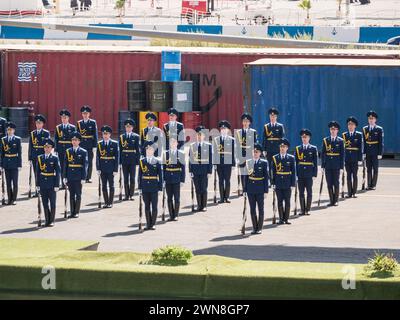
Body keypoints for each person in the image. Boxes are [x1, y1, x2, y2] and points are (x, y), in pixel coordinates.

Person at [243, 143, 269, 234]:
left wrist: (266, 191)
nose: (255, 153)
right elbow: (245, 177)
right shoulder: (248, 162)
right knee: (252, 209)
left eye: (257, 152)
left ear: (260, 153)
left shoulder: (264, 163)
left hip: (260, 189)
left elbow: (266, 178)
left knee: (260, 209)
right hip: (250, 189)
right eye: (254, 152)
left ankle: (260, 227)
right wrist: (244, 190)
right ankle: (254, 227)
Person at [138, 141, 163, 230]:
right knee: (147, 206)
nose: (149, 151)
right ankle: (148, 224)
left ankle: (153, 223)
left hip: (154, 186)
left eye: (151, 149)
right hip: (145, 187)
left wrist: (160, 188)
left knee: (154, 206)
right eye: (147, 149)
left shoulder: (157, 161)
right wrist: (139, 188)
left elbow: (160, 176)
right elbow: (139, 176)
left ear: (153, 151)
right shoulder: (142, 161)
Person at [36, 139, 60, 227]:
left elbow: (58, 172)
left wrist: (57, 184)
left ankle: (52, 220)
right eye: (45, 147)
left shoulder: (55, 158)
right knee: (45, 203)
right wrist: (37, 184)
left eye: (48, 147)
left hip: (51, 183)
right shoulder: (40, 158)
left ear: (51, 148)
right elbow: (37, 173)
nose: (46, 148)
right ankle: (47, 220)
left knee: (52, 203)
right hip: (42, 183)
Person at [271, 138, 296, 225]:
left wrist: (293, 184)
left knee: (288, 202)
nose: (282, 148)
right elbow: (273, 172)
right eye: (281, 146)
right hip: (278, 182)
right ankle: (281, 219)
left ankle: (286, 218)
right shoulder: (275, 158)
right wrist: (273, 183)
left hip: (287, 182)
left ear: (287, 148)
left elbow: (293, 172)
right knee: (280, 201)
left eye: (284, 147)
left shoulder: (291, 158)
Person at [63, 132, 88, 218]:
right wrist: (64, 176)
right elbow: (65, 165)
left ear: (79, 141)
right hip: (70, 176)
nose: (74, 142)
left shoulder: (83, 152)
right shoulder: (68, 151)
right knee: (71, 195)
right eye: (73, 140)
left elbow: (85, 166)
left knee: (78, 194)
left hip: (78, 176)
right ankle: (72, 211)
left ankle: (76, 211)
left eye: (76, 140)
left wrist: (83, 178)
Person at [189, 126, 213, 212]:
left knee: (203, 188)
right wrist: (190, 171)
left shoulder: (208, 146)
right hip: (195, 170)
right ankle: (199, 205)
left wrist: (210, 171)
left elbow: (210, 159)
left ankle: (204, 205)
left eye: (201, 135)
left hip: (204, 170)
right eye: (198, 135)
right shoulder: (192, 146)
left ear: (204, 136)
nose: (199, 137)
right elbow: (190, 159)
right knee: (197, 188)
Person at [294, 129, 318, 215]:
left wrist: (314, 174)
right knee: (301, 192)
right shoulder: (298, 149)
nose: (304, 139)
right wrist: (295, 174)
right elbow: (295, 163)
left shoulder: (313, 148)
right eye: (303, 137)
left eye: (306, 137)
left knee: (309, 192)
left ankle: (307, 209)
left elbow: (315, 162)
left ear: (309, 138)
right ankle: (302, 209)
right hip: (300, 173)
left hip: (309, 173)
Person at [321, 121, 345, 206]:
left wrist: (342, 167)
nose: (333, 131)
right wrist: (322, 166)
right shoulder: (325, 140)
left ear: (337, 130)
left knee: (336, 183)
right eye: (331, 129)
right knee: (329, 183)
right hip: (328, 165)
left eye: (334, 129)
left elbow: (342, 155)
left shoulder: (340, 141)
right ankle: (331, 200)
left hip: (336, 165)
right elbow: (323, 154)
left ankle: (336, 200)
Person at [163, 136, 185, 221]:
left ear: (177, 144)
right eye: (171, 142)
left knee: (176, 198)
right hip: (168, 178)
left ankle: (176, 215)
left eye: (174, 142)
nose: (173, 144)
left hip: (176, 178)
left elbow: (183, 168)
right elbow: (164, 168)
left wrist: (182, 180)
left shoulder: (181, 154)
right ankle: (171, 215)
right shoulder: (166, 154)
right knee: (169, 198)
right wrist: (163, 179)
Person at [96, 125, 119, 208]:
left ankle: (110, 202)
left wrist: (115, 169)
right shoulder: (99, 144)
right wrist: (98, 168)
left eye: (107, 134)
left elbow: (117, 158)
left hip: (111, 167)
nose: (105, 135)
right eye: (104, 134)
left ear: (110, 135)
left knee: (111, 185)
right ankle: (106, 202)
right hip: (102, 167)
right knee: (104, 186)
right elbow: (97, 157)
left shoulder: (114, 144)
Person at [235, 113, 258, 195]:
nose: (245, 123)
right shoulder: (238, 132)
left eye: (247, 121)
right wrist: (237, 157)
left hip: (250, 155)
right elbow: (237, 145)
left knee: (250, 172)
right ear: (242, 122)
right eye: (244, 121)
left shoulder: (253, 132)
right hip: (241, 156)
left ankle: (249, 188)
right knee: (242, 173)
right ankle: (244, 188)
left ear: (249, 123)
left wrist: (254, 155)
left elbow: (255, 144)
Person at [28, 114, 50, 197]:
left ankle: (43, 190)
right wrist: (30, 157)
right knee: (36, 173)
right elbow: (30, 146)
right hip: (34, 156)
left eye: (40, 123)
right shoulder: (32, 133)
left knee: (43, 173)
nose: (38, 125)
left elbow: (47, 146)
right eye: (37, 123)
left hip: (42, 156)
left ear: (42, 124)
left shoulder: (46, 133)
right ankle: (37, 190)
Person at [0, 122, 22, 205]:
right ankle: (9, 199)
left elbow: (19, 153)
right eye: (8, 130)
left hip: (14, 163)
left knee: (15, 183)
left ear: (14, 130)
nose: (9, 131)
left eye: (11, 130)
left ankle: (14, 198)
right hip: (6, 163)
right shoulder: (3, 139)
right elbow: (2, 153)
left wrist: (19, 164)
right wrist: (1, 165)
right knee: (8, 183)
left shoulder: (17, 139)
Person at [213, 120, 235, 203]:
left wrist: (233, 164)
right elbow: (214, 153)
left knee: (227, 180)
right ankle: (222, 197)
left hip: (228, 163)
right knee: (220, 180)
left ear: (228, 130)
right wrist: (214, 163)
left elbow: (233, 153)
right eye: (221, 129)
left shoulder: (231, 140)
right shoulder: (216, 140)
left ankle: (227, 197)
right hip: (219, 163)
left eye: (224, 129)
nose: (223, 130)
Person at [55, 109, 76, 189]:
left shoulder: (72, 127)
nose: (63, 119)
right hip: (60, 149)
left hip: (69, 149)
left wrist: (73, 149)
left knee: (69, 166)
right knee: (61, 166)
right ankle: (63, 183)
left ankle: (69, 182)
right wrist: (56, 150)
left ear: (68, 118)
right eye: (62, 118)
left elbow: (74, 140)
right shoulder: (58, 127)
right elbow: (56, 139)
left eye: (65, 118)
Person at [119, 119, 140, 201]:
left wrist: (137, 161)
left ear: (132, 128)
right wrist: (119, 161)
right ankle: (126, 195)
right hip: (124, 160)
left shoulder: (136, 137)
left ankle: (131, 195)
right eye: (127, 127)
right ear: (125, 127)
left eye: (130, 127)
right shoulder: (122, 137)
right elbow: (120, 150)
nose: (128, 128)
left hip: (132, 160)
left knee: (132, 178)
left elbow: (138, 150)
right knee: (125, 178)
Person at [362, 110, 384, 190]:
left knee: (375, 168)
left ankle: (373, 184)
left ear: (375, 120)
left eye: (372, 118)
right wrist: (363, 152)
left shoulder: (379, 129)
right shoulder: (365, 129)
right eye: (369, 119)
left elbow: (381, 142)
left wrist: (380, 153)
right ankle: (369, 184)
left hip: (375, 152)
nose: (371, 120)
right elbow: (364, 142)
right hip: (367, 152)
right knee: (368, 168)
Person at [343, 117, 363, 198]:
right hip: (347, 158)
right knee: (348, 176)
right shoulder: (344, 135)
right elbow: (343, 149)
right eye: (349, 124)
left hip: (355, 158)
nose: (350, 126)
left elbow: (360, 147)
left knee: (354, 175)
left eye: (352, 124)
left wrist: (360, 159)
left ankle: (354, 192)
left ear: (355, 126)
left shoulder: (358, 135)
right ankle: (349, 192)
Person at [77, 105, 98, 183]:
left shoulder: (92, 122)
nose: (85, 115)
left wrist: (94, 146)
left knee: (89, 161)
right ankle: (81, 176)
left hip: (89, 144)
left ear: (89, 114)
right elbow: (77, 135)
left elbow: (95, 134)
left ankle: (88, 177)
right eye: (83, 113)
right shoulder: (79, 123)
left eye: (86, 113)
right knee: (80, 161)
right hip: (81, 144)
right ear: (82, 114)